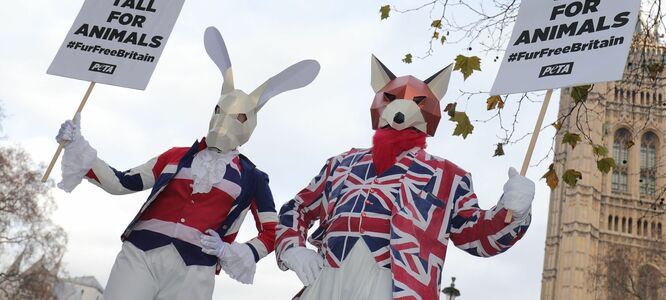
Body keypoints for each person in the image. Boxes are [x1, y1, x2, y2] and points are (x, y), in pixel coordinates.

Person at [54, 27, 319, 300]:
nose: (224, 121)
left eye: (238, 117)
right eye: (220, 111)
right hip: (140, 257)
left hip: (195, 270)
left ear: (250, 123)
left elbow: (272, 231)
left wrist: (235, 251)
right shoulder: (175, 157)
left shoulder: (252, 178)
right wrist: (77, 146)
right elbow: (122, 182)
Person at [275, 55, 535, 300]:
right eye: (391, 97)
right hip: (327, 282)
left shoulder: (448, 177)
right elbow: (297, 207)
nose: (402, 109)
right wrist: (292, 248)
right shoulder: (341, 164)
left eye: (417, 101)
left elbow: (476, 237)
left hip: (396, 289)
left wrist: (513, 212)